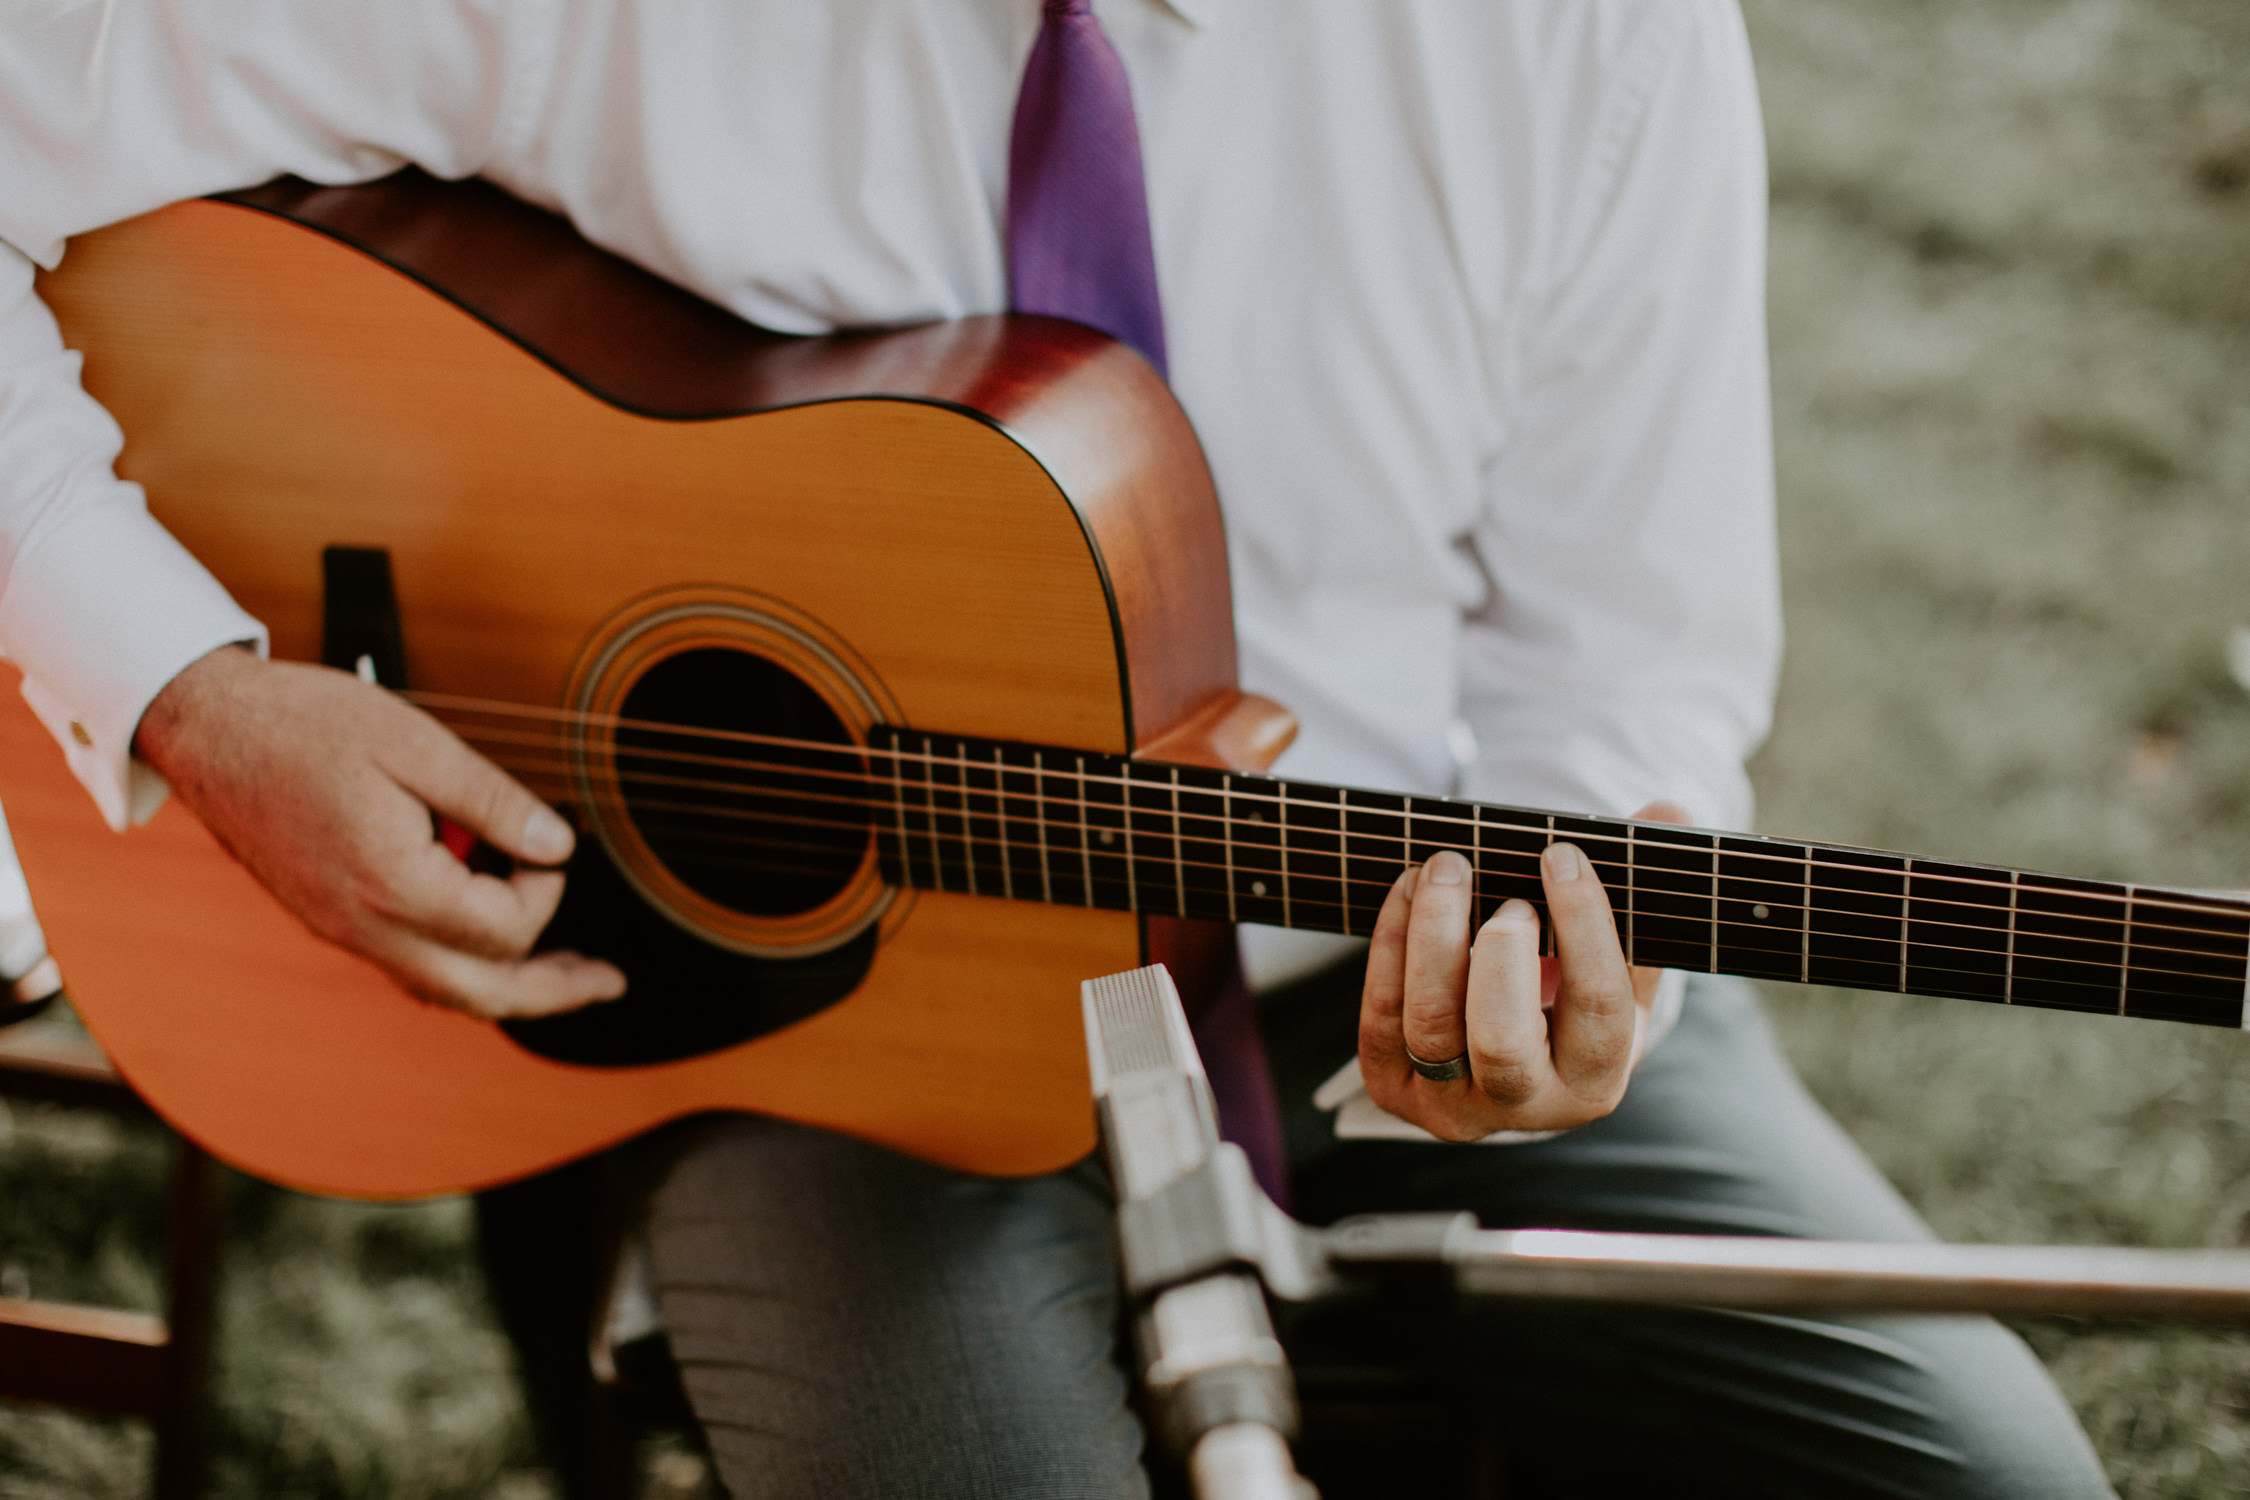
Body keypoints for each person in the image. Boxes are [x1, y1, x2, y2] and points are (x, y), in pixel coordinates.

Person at [0, 3, 2114, 1495]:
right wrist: (192, 685)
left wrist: (1568, 981)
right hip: (831, 1057)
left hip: (1351, 974)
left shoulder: (1583, 38)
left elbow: (1628, 694)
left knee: (1994, 1478)